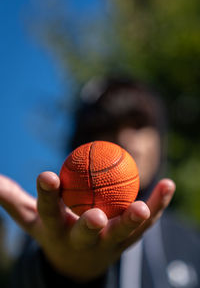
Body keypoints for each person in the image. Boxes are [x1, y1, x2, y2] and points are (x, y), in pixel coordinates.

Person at [0, 75, 199, 288]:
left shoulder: (191, 240)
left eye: (139, 125)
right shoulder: (53, 232)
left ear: (159, 137)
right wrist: (67, 273)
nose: (126, 141)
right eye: (107, 129)